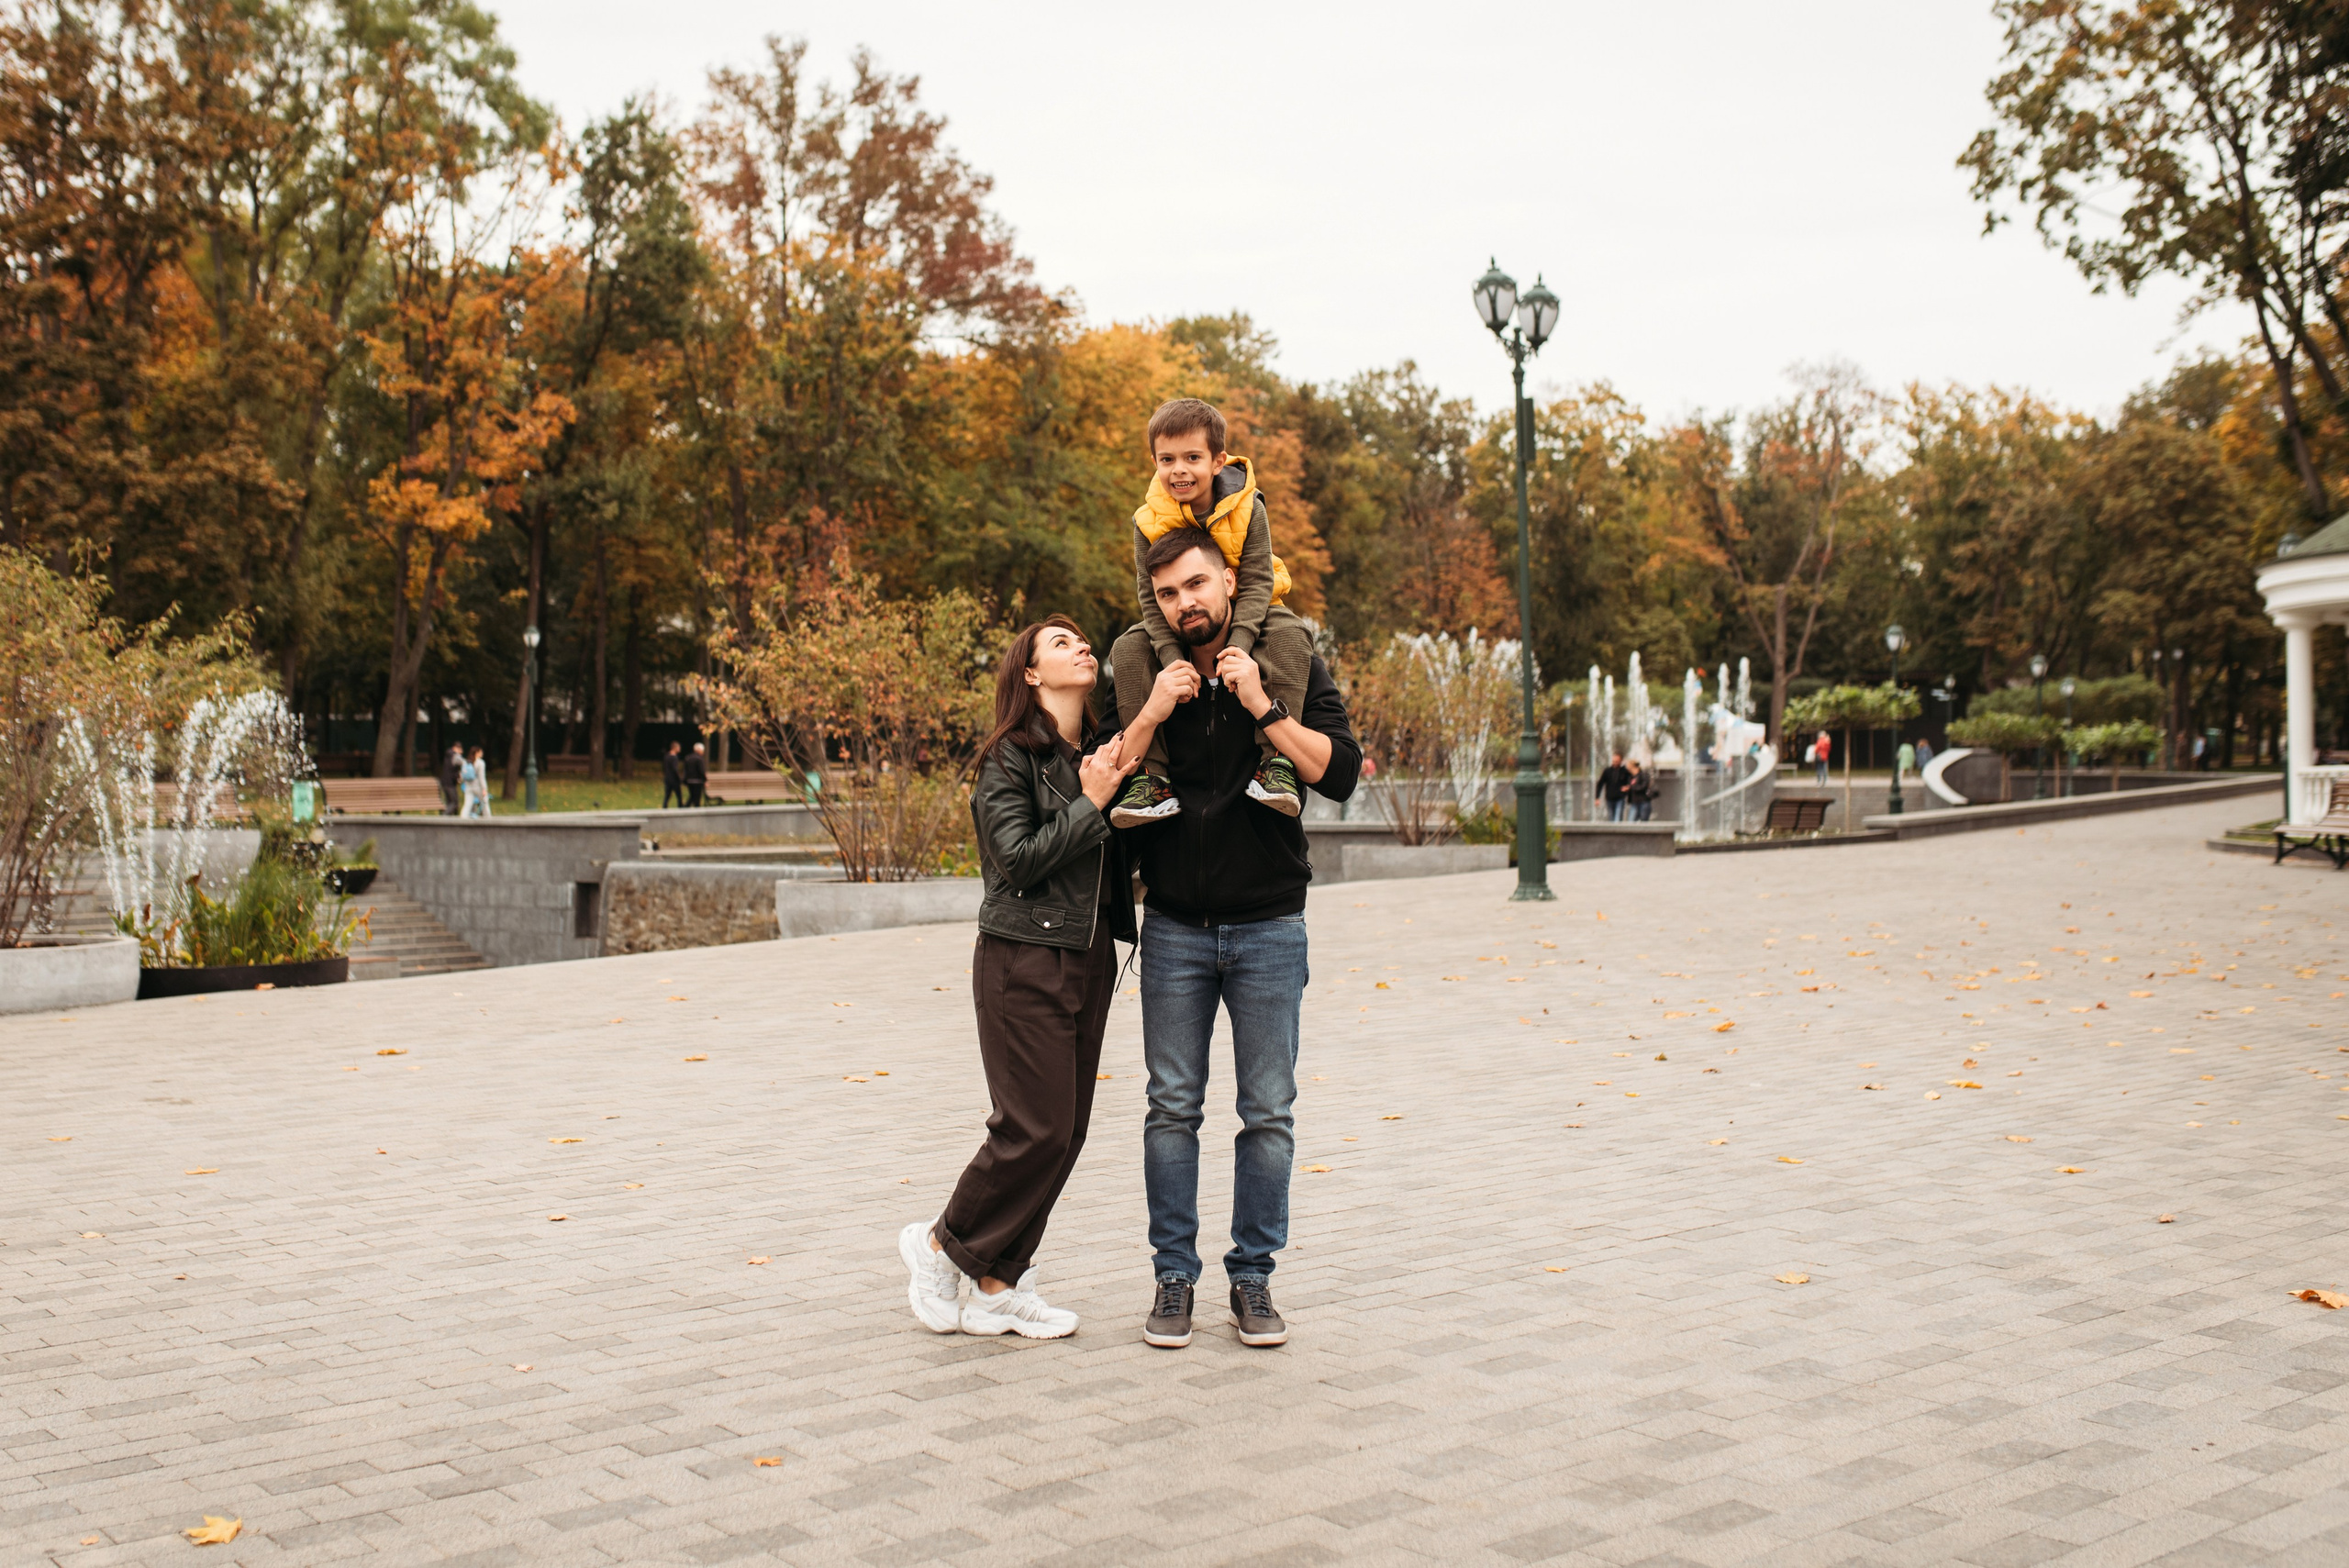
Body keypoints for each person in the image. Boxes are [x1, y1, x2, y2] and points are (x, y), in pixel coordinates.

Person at [1111, 527, 1363, 1351]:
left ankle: (1252, 1277)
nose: (1187, 601)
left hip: (1269, 926)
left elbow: (1341, 772)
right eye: (1170, 591)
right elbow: (1104, 775)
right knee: (1170, 1109)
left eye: (1197, 584)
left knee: (1269, 1114)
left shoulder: (1284, 654)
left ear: (1229, 582)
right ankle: (1173, 1275)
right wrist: (1154, 709)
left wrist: (1262, 703)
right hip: (1176, 926)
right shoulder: (1147, 665)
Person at [899, 616, 1140, 1339]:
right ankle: (942, 1241)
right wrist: (1093, 802)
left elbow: (1102, 861)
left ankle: (1000, 1283)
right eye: (1060, 644)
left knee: (1065, 1131)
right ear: (1031, 675)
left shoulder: (1095, 753)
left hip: (1090, 955)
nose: (1082, 648)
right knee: (1030, 1127)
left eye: (1081, 640)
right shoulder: (1009, 758)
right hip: (1021, 957)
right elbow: (1020, 858)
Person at [1108, 398, 1317, 828]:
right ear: (1154, 462)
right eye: (1167, 460)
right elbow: (1151, 599)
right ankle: (1150, 777)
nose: (1179, 470)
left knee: (1290, 633)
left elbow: (1258, 579)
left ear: (1218, 461)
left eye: (1192, 458)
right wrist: (1172, 661)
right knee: (1128, 646)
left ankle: (1278, 763)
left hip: (1250, 606)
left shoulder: (1247, 507)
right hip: (1180, 612)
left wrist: (1238, 648)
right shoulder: (1147, 521)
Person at [1596, 751, 1631, 822]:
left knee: (1618, 818)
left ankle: (1618, 832)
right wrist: (1597, 797)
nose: (1615, 763)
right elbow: (1600, 784)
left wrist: (1627, 788)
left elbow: (1630, 783)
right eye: (1613, 761)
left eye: (1617, 761)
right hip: (1609, 798)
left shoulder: (1625, 771)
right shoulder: (1607, 771)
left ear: (1621, 761)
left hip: (1620, 798)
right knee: (1611, 818)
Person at [461, 746, 491, 817]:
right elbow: (481, 777)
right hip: (478, 787)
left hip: (468, 786)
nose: (482, 753)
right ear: (477, 753)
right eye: (481, 752)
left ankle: (462, 820)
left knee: (467, 804)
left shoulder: (466, 762)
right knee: (484, 804)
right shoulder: (480, 763)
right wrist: (484, 789)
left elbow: (463, 775)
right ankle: (489, 820)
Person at [1624, 758, 1654, 822]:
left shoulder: (1643, 775)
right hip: (1634, 803)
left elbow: (1644, 787)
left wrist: (1631, 788)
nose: (1627, 768)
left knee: (1643, 823)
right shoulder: (1631, 777)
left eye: (1628, 766)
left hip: (1643, 802)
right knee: (1631, 823)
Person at [438, 743, 464, 815]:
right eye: (460, 750)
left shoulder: (448, 755)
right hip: (450, 783)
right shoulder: (455, 756)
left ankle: (449, 820)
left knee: (449, 802)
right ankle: (444, 817)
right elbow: (463, 763)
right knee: (454, 803)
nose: (461, 752)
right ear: (455, 748)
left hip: (445, 782)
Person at [682, 742, 707, 807]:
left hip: (689, 781)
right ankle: (694, 809)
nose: (703, 752)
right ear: (699, 750)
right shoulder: (699, 759)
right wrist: (705, 780)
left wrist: (685, 780)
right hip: (698, 781)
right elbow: (701, 771)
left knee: (692, 796)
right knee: (697, 798)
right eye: (702, 750)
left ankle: (685, 808)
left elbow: (685, 770)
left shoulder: (688, 757)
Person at [661, 741, 685, 810]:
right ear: (675, 748)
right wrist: (679, 778)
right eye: (679, 747)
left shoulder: (666, 756)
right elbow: (675, 769)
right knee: (679, 795)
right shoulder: (674, 758)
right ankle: (681, 807)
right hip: (674, 780)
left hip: (667, 778)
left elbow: (664, 767)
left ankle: (664, 807)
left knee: (667, 795)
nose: (680, 749)